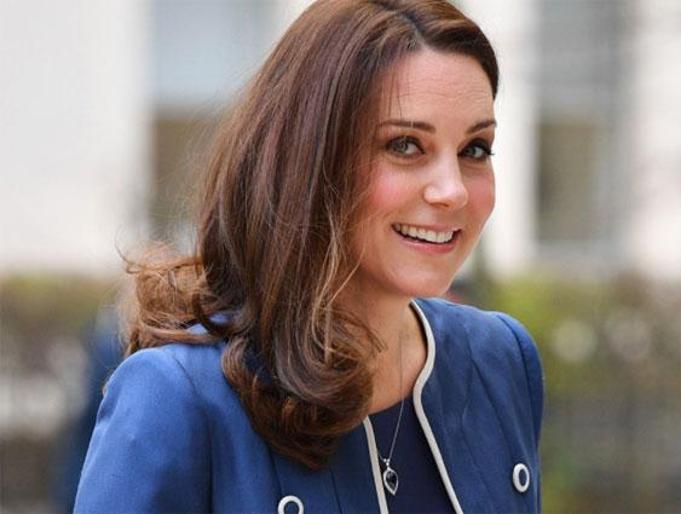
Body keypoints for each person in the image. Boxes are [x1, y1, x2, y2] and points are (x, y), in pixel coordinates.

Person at [74, 1, 544, 513]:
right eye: (405, 145)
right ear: (310, 157)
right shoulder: (178, 396)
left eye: (475, 149)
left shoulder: (498, 361)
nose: (452, 191)